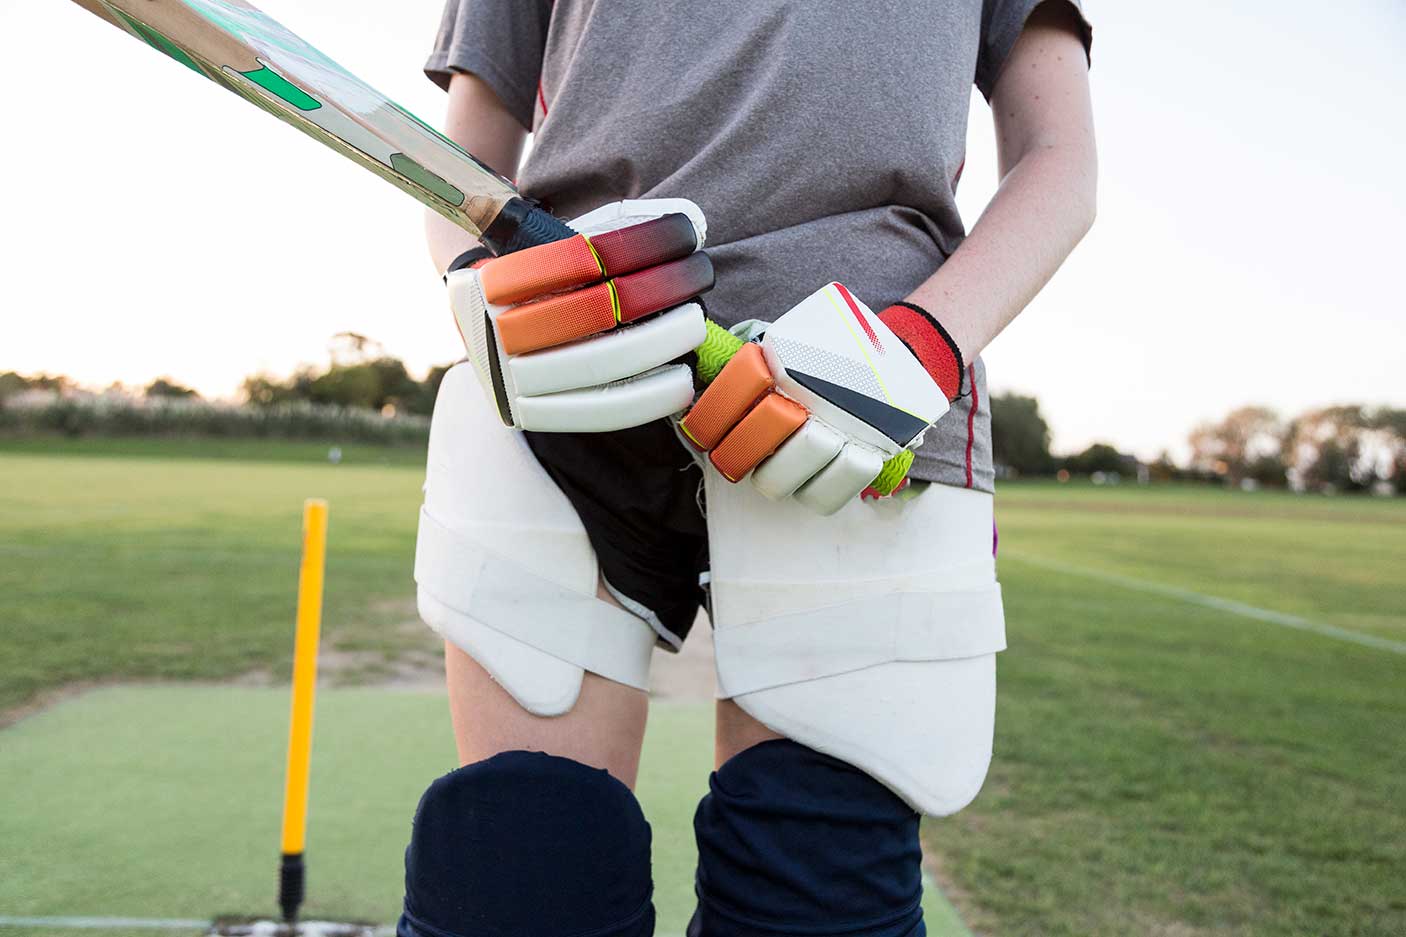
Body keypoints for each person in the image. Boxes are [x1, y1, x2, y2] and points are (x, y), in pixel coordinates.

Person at [401, 2, 1096, 935]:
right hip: (568, 376)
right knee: (520, 874)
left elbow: (1062, 162)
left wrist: (919, 350)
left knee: (817, 895)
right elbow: (468, 164)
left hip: (857, 403)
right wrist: (475, 288)